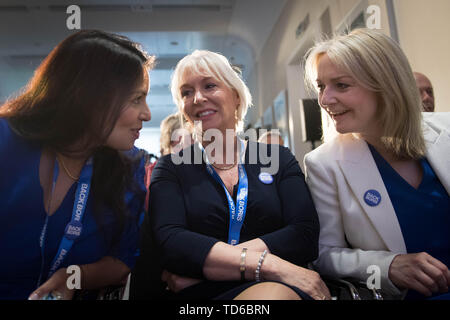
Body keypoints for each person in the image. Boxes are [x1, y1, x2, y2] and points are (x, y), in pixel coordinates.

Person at [132, 49, 330, 300]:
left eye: (210, 85)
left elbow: (304, 234)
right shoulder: (171, 168)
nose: (198, 98)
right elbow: (172, 243)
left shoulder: (278, 159)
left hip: (262, 289)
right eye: (186, 92)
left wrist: (214, 268)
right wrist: (271, 265)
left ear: (236, 96)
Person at [0, 30, 155, 300]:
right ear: (92, 97)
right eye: (136, 99)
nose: (147, 113)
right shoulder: (6, 141)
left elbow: (122, 260)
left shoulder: (128, 169)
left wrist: (72, 277)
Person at [303, 28, 450, 300]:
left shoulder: (447, 130)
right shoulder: (324, 164)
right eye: (322, 86)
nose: (325, 100)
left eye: (342, 85)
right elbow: (325, 255)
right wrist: (388, 266)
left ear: (385, 85)